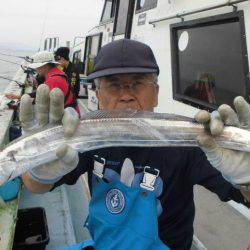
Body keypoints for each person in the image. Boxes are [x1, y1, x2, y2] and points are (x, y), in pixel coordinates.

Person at [21, 39, 250, 250]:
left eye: (137, 83)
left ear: (156, 93)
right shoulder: (86, 138)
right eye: (113, 85)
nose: (126, 96)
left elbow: (243, 197)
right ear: (98, 95)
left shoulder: (188, 141)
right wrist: (39, 170)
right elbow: (35, 187)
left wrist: (246, 178)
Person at [28, 51, 80, 115]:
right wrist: (22, 96)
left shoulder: (53, 80)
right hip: (73, 113)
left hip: (69, 119)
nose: (35, 69)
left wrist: (25, 100)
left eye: (37, 66)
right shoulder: (57, 73)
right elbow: (42, 93)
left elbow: (42, 100)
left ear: (45, 66)